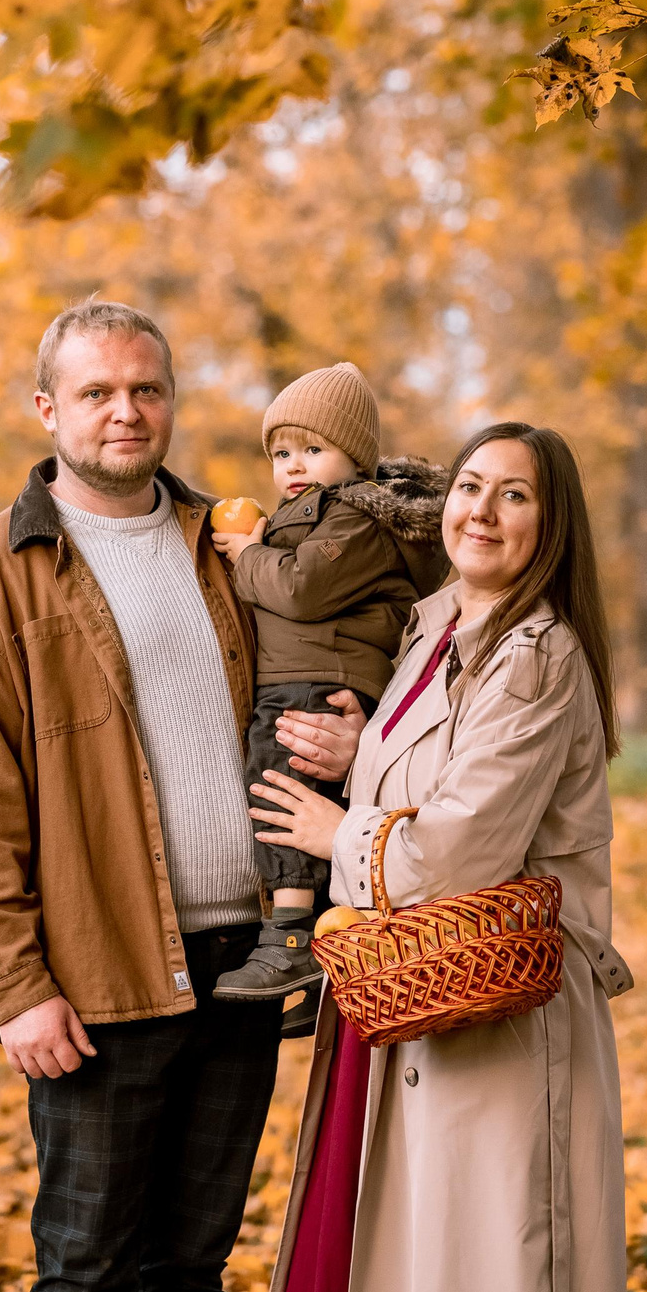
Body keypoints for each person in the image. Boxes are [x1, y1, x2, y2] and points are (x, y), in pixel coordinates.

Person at [0, 300, 355, 1292]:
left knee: (190, 1267)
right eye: (97, 392)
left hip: (245, 960)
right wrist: (16, 988)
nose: (126, 412)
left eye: (146, 389)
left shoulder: (236, 546)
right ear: (45, 409)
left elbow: (322, 674)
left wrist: (350, 745)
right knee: (84, 1276)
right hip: (100, 974)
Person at [250, 421, 638, 1292]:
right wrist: (363, 748)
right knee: (414, 1286)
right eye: (471, 486)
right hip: (412, 996)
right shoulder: (434, 626)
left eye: (516, 495)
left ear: (552, 525)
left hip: (498, 1019)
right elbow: (439, 773)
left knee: (484, 1291)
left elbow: (458, 849)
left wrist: (335, 830)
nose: (484, 511)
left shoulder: (537, 653)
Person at [207, 361, 449, 1009]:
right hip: (301, 675)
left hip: (318, 679)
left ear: (355, 457)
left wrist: (247, 555)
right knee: (286, 781)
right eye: (282, 450)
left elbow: (302, 587)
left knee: (281, 783)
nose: (294, 463)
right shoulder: (308, 513)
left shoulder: (354, 516)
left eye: (313, 448)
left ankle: (288, 935)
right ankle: (325, 952)